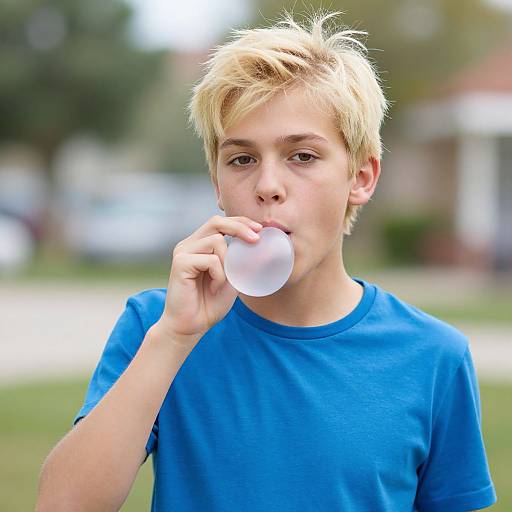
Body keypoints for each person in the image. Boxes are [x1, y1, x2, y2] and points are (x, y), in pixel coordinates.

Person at [35, 9, 497, 512]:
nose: (267, 187)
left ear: (361, 178)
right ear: (217, 184)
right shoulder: (156, 327)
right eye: (242, 159)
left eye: (302, 156)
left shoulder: (432, 357)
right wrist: (173, 339)